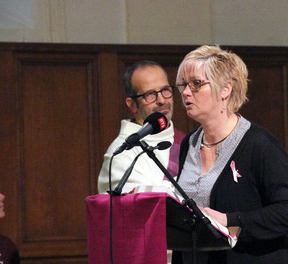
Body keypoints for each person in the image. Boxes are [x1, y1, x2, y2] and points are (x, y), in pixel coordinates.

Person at [173, 45, 288, 264]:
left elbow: (285, 211)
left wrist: (228, 220)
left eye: (196, 84)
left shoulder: (258, 144)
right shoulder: (190, 143)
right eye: (183, 85)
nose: (187, 92)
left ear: (225, 89)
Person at [98, 60, 185, 194]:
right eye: (150, 94)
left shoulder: (189, 142)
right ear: (132, 104)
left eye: (165, 90)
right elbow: (141, 204)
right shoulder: (121, 154)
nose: (162, 100)